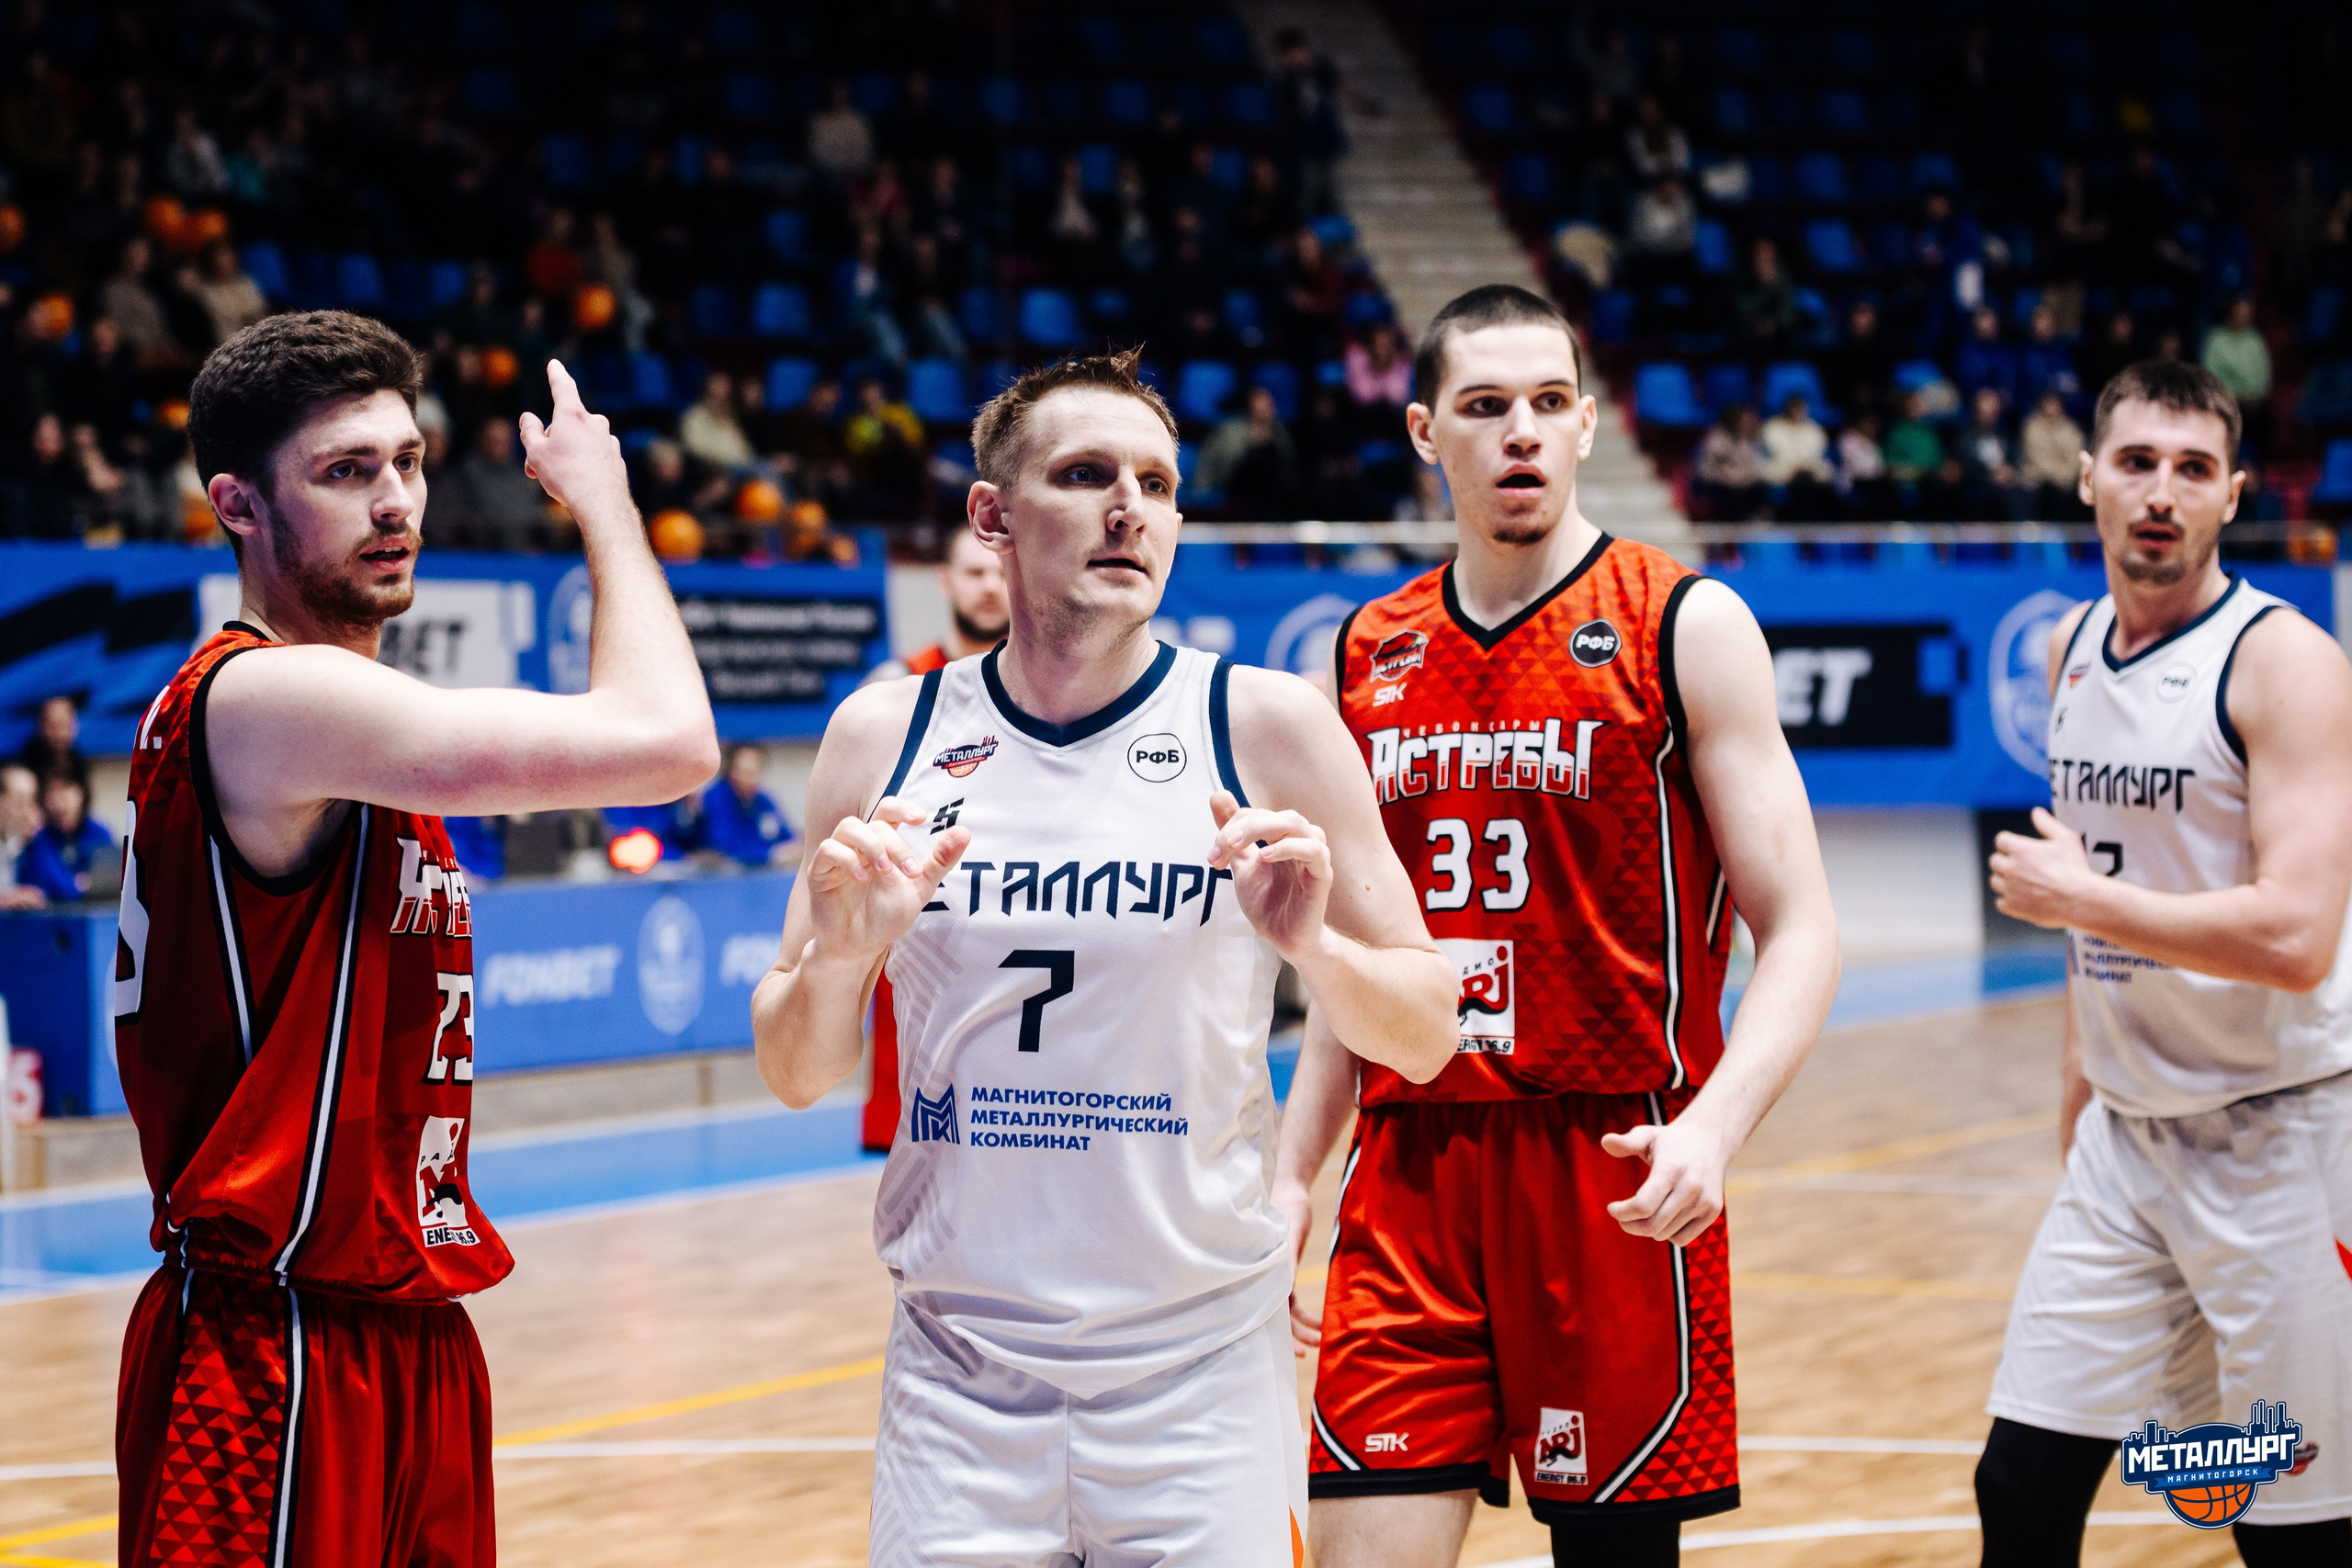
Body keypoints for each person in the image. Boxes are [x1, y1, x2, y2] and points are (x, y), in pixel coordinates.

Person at [750, 347, 1458, 1566]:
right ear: (994, 515)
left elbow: (1429, 1027)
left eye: (1160, 482)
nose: (1132, 507)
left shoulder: (1265, 724)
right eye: (1086, 475)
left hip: (1196, 1374)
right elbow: (796, 1067)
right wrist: (838, 963)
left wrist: (1313, 948)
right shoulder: (888, 733)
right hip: (958, 1374)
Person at [112, 310, 716, 1567]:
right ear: (236, 505)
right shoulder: (266, 695)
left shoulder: (360, 735)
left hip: (409, 1323)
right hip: (270, 1344)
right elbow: (669, 742)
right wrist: (605, 502)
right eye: (345, 472)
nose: (395, 501)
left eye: (410, 460)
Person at [1281, 285, 1839, 1568]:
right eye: (1484, 407)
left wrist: (1715, 1124)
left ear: (1588, 425)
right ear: (1429, 431)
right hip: (1411, 1166)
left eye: (1545, 404)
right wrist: (1284, 1176)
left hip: (1614, 1161)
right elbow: (1353, 969)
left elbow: (1802, 925)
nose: (1518, 432)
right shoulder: (1367, 652)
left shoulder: (1681, 622)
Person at [1979, 359, 2352, 1565]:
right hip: (2128, 1145)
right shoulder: (2072, 650)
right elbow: (2102, 899)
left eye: (2193, 469)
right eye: (2137, 461)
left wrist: (2084, 899)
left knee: (2285, 1524)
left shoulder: (2285, 662)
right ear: (2088, 477)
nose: (2160, 493)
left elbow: (2297, 939)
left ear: (2231, 494)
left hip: (2286, 1141)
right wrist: (2078, 1075)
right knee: (2022, 1485)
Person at [858, 526, 1012, 1152]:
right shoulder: (897, 687)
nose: (988, 587)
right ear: (945, 580)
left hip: (1014, 910)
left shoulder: (1051, 694)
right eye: (973, 573)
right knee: (915, 1136)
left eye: (999, 572)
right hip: (924, 921)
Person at [697, 742, 799, 868]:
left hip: (762, 874)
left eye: (754, 772)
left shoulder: (764, 800)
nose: (748, 778)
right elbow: (725, 849)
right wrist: (770, 855)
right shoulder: (715, 798)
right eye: (743, 771)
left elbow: (789, 839)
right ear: (730, 770)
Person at [18, 771, 114, 902]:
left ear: (81, 793)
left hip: (92, 918)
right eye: (51, 793)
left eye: (64, 791)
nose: (58, 801)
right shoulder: (38, 838)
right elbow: (57, 888)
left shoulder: (100, 833)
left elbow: (109, 885)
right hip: (46, 918)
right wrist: (78, 885)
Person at [1758, 392, 1834, 521]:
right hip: (1781, 474)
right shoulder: (1771, 427)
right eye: (1795, 408)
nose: (1798, 412)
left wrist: (1808, 470)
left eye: (1801, 408)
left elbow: (1820, 458)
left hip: (1809, 475)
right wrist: (1792, 471)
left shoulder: (1814, 429)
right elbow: (1769, 458)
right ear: (1787, 408)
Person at [17, 693, 90, 792]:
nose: (58, 733)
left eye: (63, 724)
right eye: (52, 725)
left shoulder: (79, 765)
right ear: (40, 726)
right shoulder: (21, 772)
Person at [0, 761, 46, 909]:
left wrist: (37, 838)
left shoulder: (16, 841)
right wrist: (7, 899)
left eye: (32, 802)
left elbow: (62, 889)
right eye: (21, 801)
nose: (28, 811)